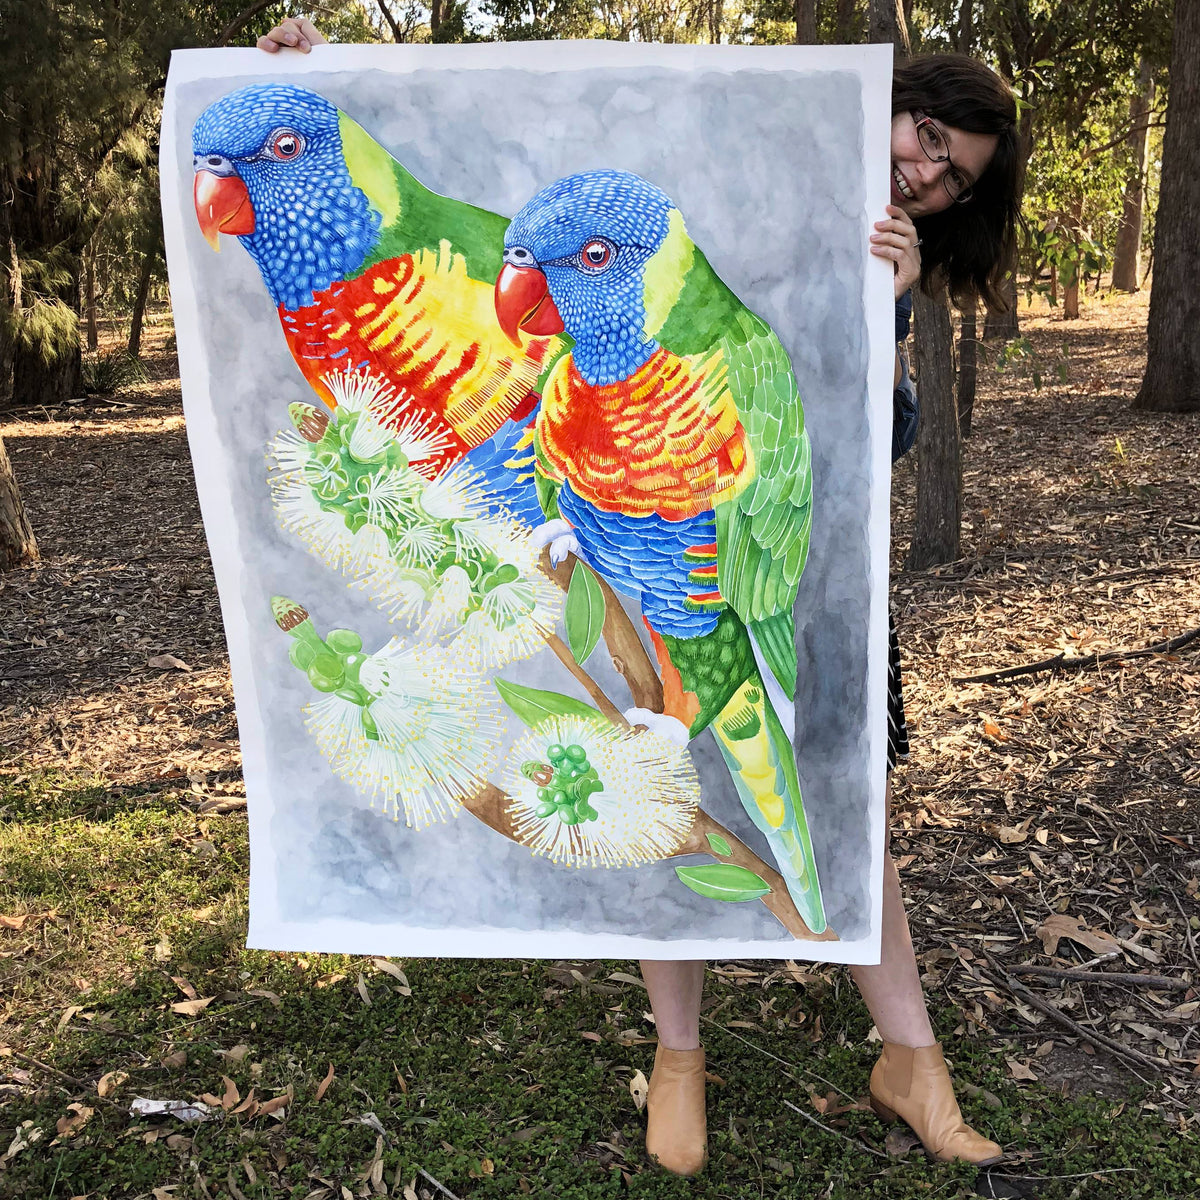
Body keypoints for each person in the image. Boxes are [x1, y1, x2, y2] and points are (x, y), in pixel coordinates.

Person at [255, 23, 1022, 1175]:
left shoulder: (890, 251)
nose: (925, 171)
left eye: (953, 173)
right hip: (620, 545)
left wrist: (896, 324)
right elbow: (539, 91)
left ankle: (909, 1056)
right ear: (891, 100)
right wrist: (332, 70)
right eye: (925, 135)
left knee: (837, 803)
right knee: (653, 787)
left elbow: (883, 446)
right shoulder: (728, 122)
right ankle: (678, 1057)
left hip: (772, 578)